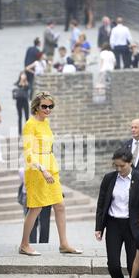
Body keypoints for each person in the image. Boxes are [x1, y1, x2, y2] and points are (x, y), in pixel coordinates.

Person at [19, 92, 83, 256]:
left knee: (60, 205)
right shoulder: (29, 124)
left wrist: (49, 167)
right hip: (37, 170)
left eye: (50, 106)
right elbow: (28, 152)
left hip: (51, 168)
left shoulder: (45, 123)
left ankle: (64, 244)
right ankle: (24, 244)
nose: (48, 109)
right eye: (44, 106)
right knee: (36, 208)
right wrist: (42, 168)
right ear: (36, 107)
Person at [95, 148, 139, 278]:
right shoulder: (109, 178)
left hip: (133, 226)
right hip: (113, 224)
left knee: (132, 264)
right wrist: (99, 227)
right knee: (113, 264)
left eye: (122, 166)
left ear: (130, 163)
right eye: (116, 166)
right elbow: (101, 204)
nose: (119, 169)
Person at [19, 167, 52, 244]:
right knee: (43, 220)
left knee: (35, 219)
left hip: (34, 194)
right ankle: (42, 243)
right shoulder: (46, 166)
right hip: (40, 194)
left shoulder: (23, 169)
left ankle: (33, 242)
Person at [14, 72, 30, 136]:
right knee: (20, 117)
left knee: (27, 117)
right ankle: (20, 132)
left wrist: (24, 81)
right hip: (19, 101)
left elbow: (27, 88)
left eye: (24, 75)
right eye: (22, 75)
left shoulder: (27, 83)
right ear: (20, 76)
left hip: (25, 101)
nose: (23, 76)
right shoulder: (17, 83)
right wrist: (21, 81)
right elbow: (16, 88)